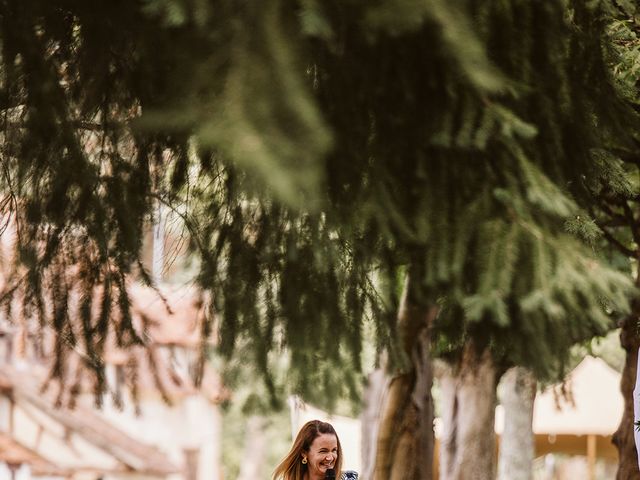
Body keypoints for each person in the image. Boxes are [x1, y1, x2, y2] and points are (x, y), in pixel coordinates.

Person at [273, 419, 359, 480]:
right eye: (323, 451)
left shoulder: (349, 478)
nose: (330, 458)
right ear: (304, 453)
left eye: (334, 450)